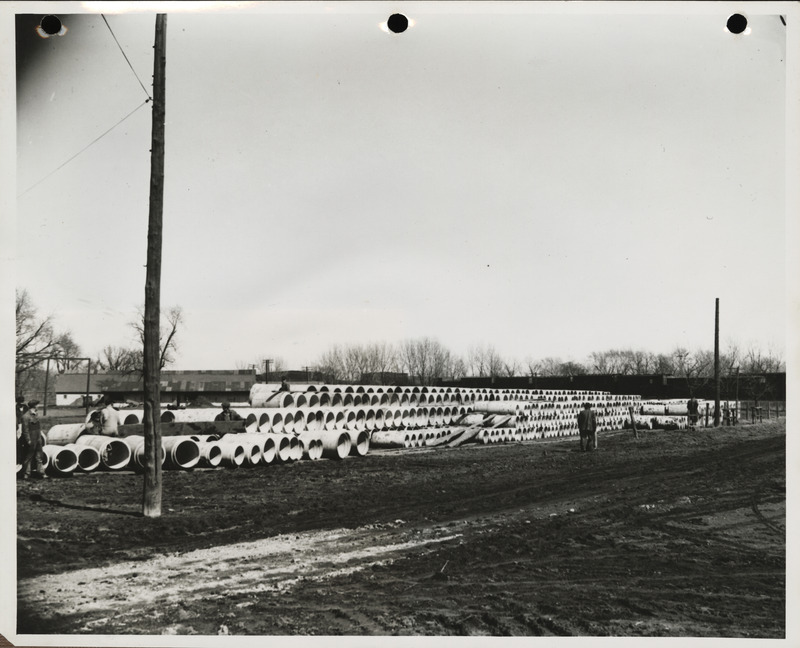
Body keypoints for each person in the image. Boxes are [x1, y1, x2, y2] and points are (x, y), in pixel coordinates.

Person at [20, 400, 47, 479]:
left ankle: (41, 473)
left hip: (38, 438)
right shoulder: (26, 416)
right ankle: (26, 474)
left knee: (39, 456)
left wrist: (40, 438)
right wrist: (28, 440)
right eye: (37, 405)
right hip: (31, 439)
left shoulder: (36, 415)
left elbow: (38, 428)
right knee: (29, 456)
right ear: (34, 406)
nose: (38, 406)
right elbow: (25, 430)